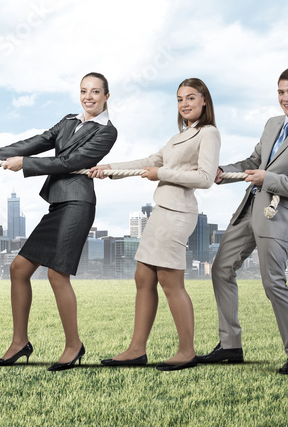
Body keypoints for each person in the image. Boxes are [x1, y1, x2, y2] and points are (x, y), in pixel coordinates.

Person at [0, 72, 117, 371]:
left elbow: (70, 163)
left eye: (96, 92)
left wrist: (26, 165)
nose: (89, 97)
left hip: (77, 204)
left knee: (57, 275)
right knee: (19, 268)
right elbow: (37, 141)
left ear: (106, 96)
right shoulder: (69, 121)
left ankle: (74, 346)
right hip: (58, 203)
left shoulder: (107, 132)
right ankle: (20, 343)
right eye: (84, 91)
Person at [198, 67, 288, 375]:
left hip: (276, 215)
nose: (286, 98)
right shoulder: (272, 124)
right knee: (221, 269)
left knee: (273, 283)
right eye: (281, 92)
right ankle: (230, 345)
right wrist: (223, 171)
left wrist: (269, 179)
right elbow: (254, 163)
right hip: (249, 209)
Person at [87, 78, 220, 371]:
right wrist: (110, 169)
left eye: (191, 98)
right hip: (161, 212)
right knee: (143, 278)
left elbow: (205, 178)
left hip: (177, 213)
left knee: (171, 282)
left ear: (204, 101)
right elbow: (150, 160)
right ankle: (136, 349)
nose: (184, 104)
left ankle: (187, 351)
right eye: (179, 99)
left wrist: (163, 173)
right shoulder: (179, 137)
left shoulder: (208, 134)